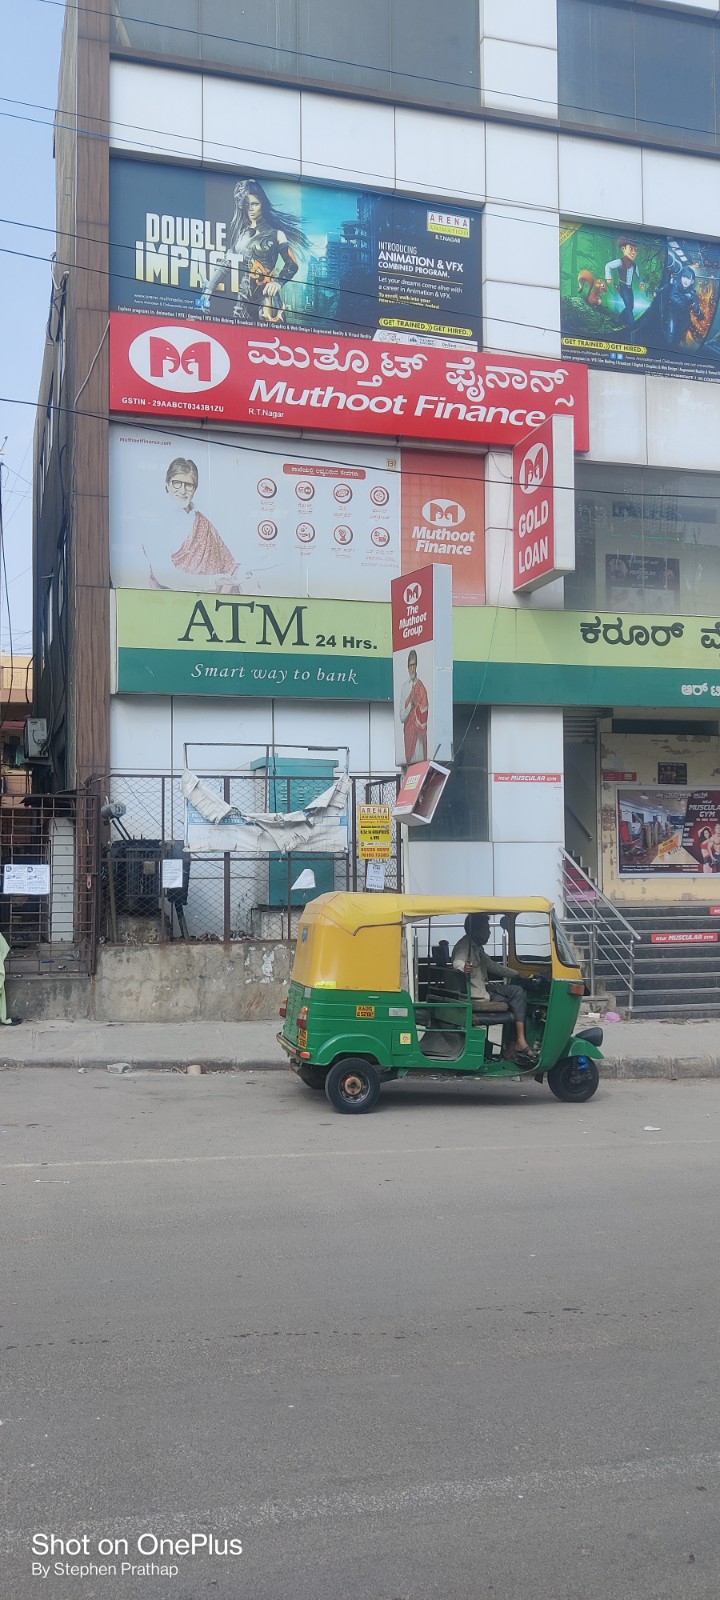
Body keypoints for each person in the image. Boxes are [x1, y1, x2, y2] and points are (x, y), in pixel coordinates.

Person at [196, 178, 307, 325]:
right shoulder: (241, 234)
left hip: (267, 300)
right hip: (243, 300)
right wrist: (209, 289)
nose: (251, 208)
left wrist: (278, 283)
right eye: (247, 204)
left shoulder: (276, 234)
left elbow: (292, 264)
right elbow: (226, 264)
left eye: (255, 204)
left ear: (263, 205)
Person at [146, 458, 246, 592]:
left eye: (188, 485)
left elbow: (229, 565)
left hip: (212, 603)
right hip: (175, 602)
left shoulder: (204, 524)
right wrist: (213, 581)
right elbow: (165, 576)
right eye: (177, 483)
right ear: (167, 485)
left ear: (195, 490)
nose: (182, 491)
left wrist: (243, 573)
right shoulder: (157, 524)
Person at [452, 914, 534, 1062]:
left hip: (484, 988)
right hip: (477, 994)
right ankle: (518, 1043)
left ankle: (516, 1044)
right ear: (476, 931)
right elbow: (458, 960)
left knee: (515, 991)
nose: (489, 933)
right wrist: (463, 967)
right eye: (486, 929)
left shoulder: (477, 947)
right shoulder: (464, 946)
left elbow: (492, 966)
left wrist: (517, 974)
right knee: (516, 1002)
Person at [604, 238, 646, 337]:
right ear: (623, 249)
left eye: (635, 250)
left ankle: (620, 319)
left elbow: (639, 276)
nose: (634, 252)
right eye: (631, 249)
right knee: (629, 308)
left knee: (631, 306)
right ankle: (633, 327)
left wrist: (641, 283)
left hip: (629, 288)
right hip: (622, 287)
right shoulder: (620, 262)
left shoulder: (635, 266)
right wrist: (608, 277)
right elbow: (608, 266)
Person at [398, 649, 429, 765]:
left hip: (419, 734)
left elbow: (425, 712)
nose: (412, 668)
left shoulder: (421, 687)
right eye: (410, 665)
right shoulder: (404, 687)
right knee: (410, 766)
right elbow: (401, 717)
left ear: (417, 666)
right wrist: (411, 705)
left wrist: (418, 707)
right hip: (408, 732)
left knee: (420, 765)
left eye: (414, 665)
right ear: (407, 667)